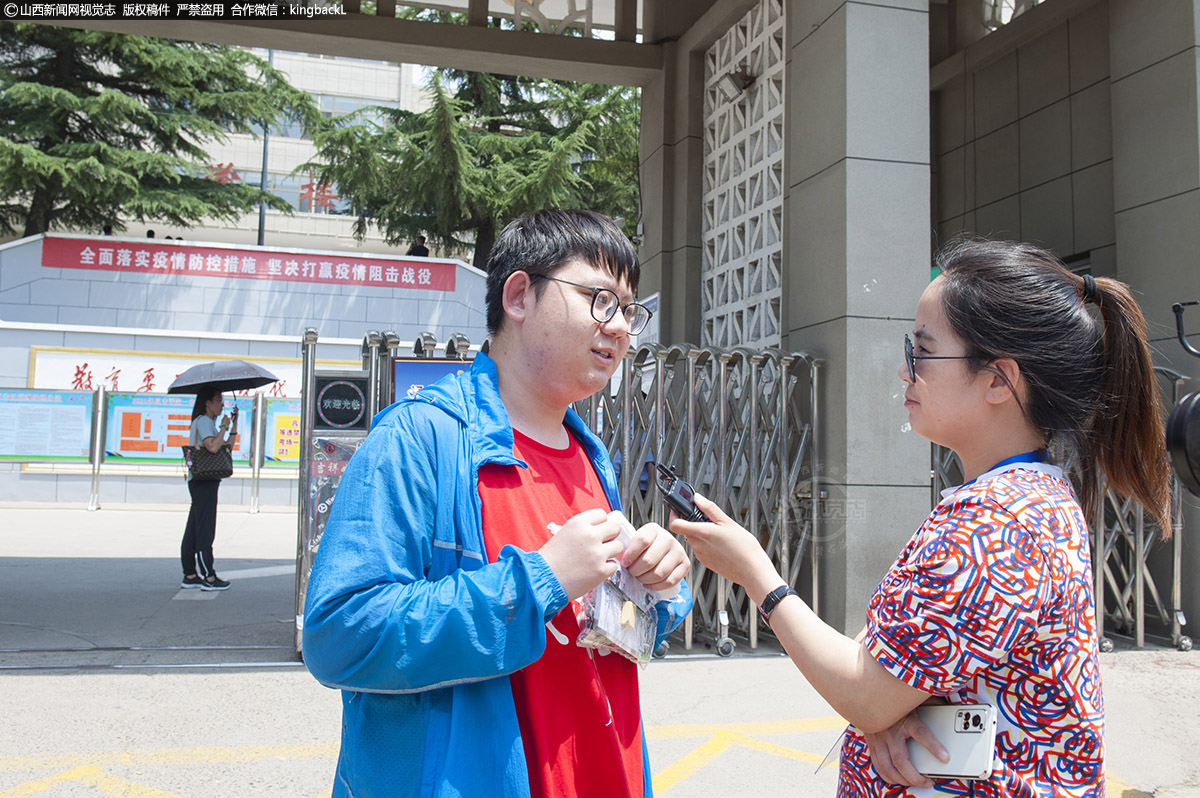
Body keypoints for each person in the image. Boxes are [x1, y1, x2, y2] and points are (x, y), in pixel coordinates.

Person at [671, 238, 1172, 797]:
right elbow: (894, 661)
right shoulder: (1024, 498)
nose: (906, 372)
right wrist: (883, 710)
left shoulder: (996, 523)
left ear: (998, 381)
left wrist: (756, 576)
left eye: (922, 352)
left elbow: (867, 688)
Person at [302, 209, 694, 798]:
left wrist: (658, 589)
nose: (621, 328)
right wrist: (537, 581)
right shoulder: (419, 439)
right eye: (600, 299)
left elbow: (600, 631)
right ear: (518, 296)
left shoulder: (593, 459)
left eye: (629, 310)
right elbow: (339, 635)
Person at [180, 384, 235, 591]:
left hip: (201, 480)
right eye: (219, 400)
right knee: (205, 528)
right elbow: (212, 447)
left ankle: (190, 573)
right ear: (208, 403)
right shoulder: (204, 421)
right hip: (204, 481)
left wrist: (231, 425)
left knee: (194, 527)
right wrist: (223, 427)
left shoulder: (206, 422)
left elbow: (226, 446)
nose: (222, 404)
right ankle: (209, 576)